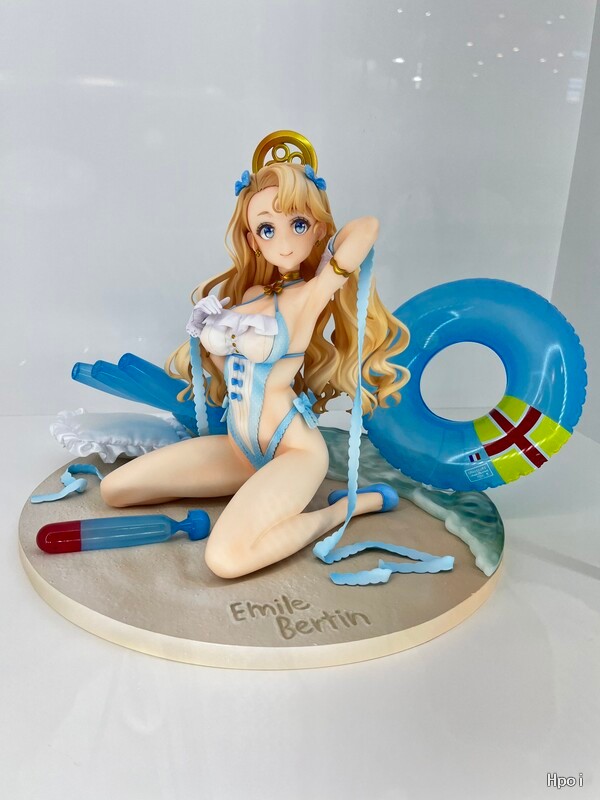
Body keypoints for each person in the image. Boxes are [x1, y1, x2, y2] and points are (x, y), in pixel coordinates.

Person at [100, 131, 410, 579]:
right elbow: (227, 366)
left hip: (294, 451)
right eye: (268, 229)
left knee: (225, 560)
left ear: (317, 229)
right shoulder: (248, 295)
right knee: (115, 489)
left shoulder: (310, 295)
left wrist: (321, 229)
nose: (283, 242)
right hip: (239, 448)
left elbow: (368, 227)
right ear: (252, 239)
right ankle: (258, 491)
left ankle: (344, 509)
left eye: (297, 225)